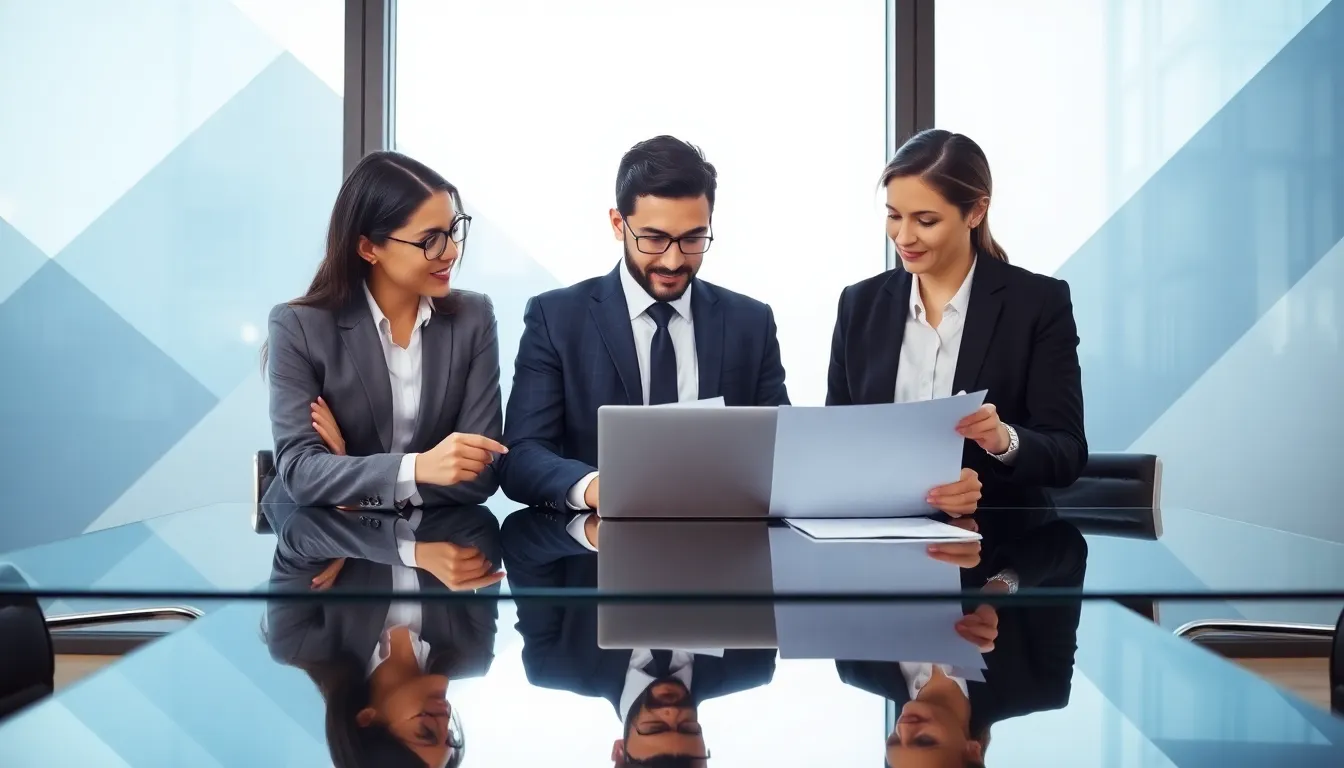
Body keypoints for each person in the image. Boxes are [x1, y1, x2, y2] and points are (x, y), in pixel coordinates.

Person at [497, 135, 790, 516]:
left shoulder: (750, 323)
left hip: (723, 540)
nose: (673, 261)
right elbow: (521, 455)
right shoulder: (556, 318)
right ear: (618, 224)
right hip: (596, 542)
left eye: (693, 239)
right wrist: (598, 488)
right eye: (654, 238)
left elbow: (784, 452)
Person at [827, 129, 1087, 512]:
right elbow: (836, 444)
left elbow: (1068, 452)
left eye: (926, 221)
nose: (904, 236)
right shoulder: (859, 305)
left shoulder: (1036, 304)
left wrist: (1003, 440)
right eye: (894, 216)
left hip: (997, 538)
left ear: (976, 212)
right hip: (878, 533)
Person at [263, 150, 507, 520]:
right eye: (430, 240)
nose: (452, 252)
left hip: (432, 544)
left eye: (453, 230)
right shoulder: (299, 327)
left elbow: (480, 471)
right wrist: (418, 468)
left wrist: (350, 475)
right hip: (323, 542)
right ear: (369, 248)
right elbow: (301, 473)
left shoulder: (473, 318)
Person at [499, 507, 774, 766]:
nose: (672, 713)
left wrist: (591, 533)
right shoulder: (750, 663)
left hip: (601, 484)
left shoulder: (555, 663)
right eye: (689, 728)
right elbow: (773, 540)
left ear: (620, 751)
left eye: (654, 727)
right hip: (723, 493)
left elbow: (519, 542)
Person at [264, 501, 505, 767]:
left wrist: (394, 544)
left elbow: (299, 534)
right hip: (430, 481)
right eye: (448, 736)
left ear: (367, 719)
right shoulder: (471, 652)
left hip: (327, 479)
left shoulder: (297, 643)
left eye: (425, 732)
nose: (445, 718)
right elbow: (480, 528)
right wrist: (351, 538)